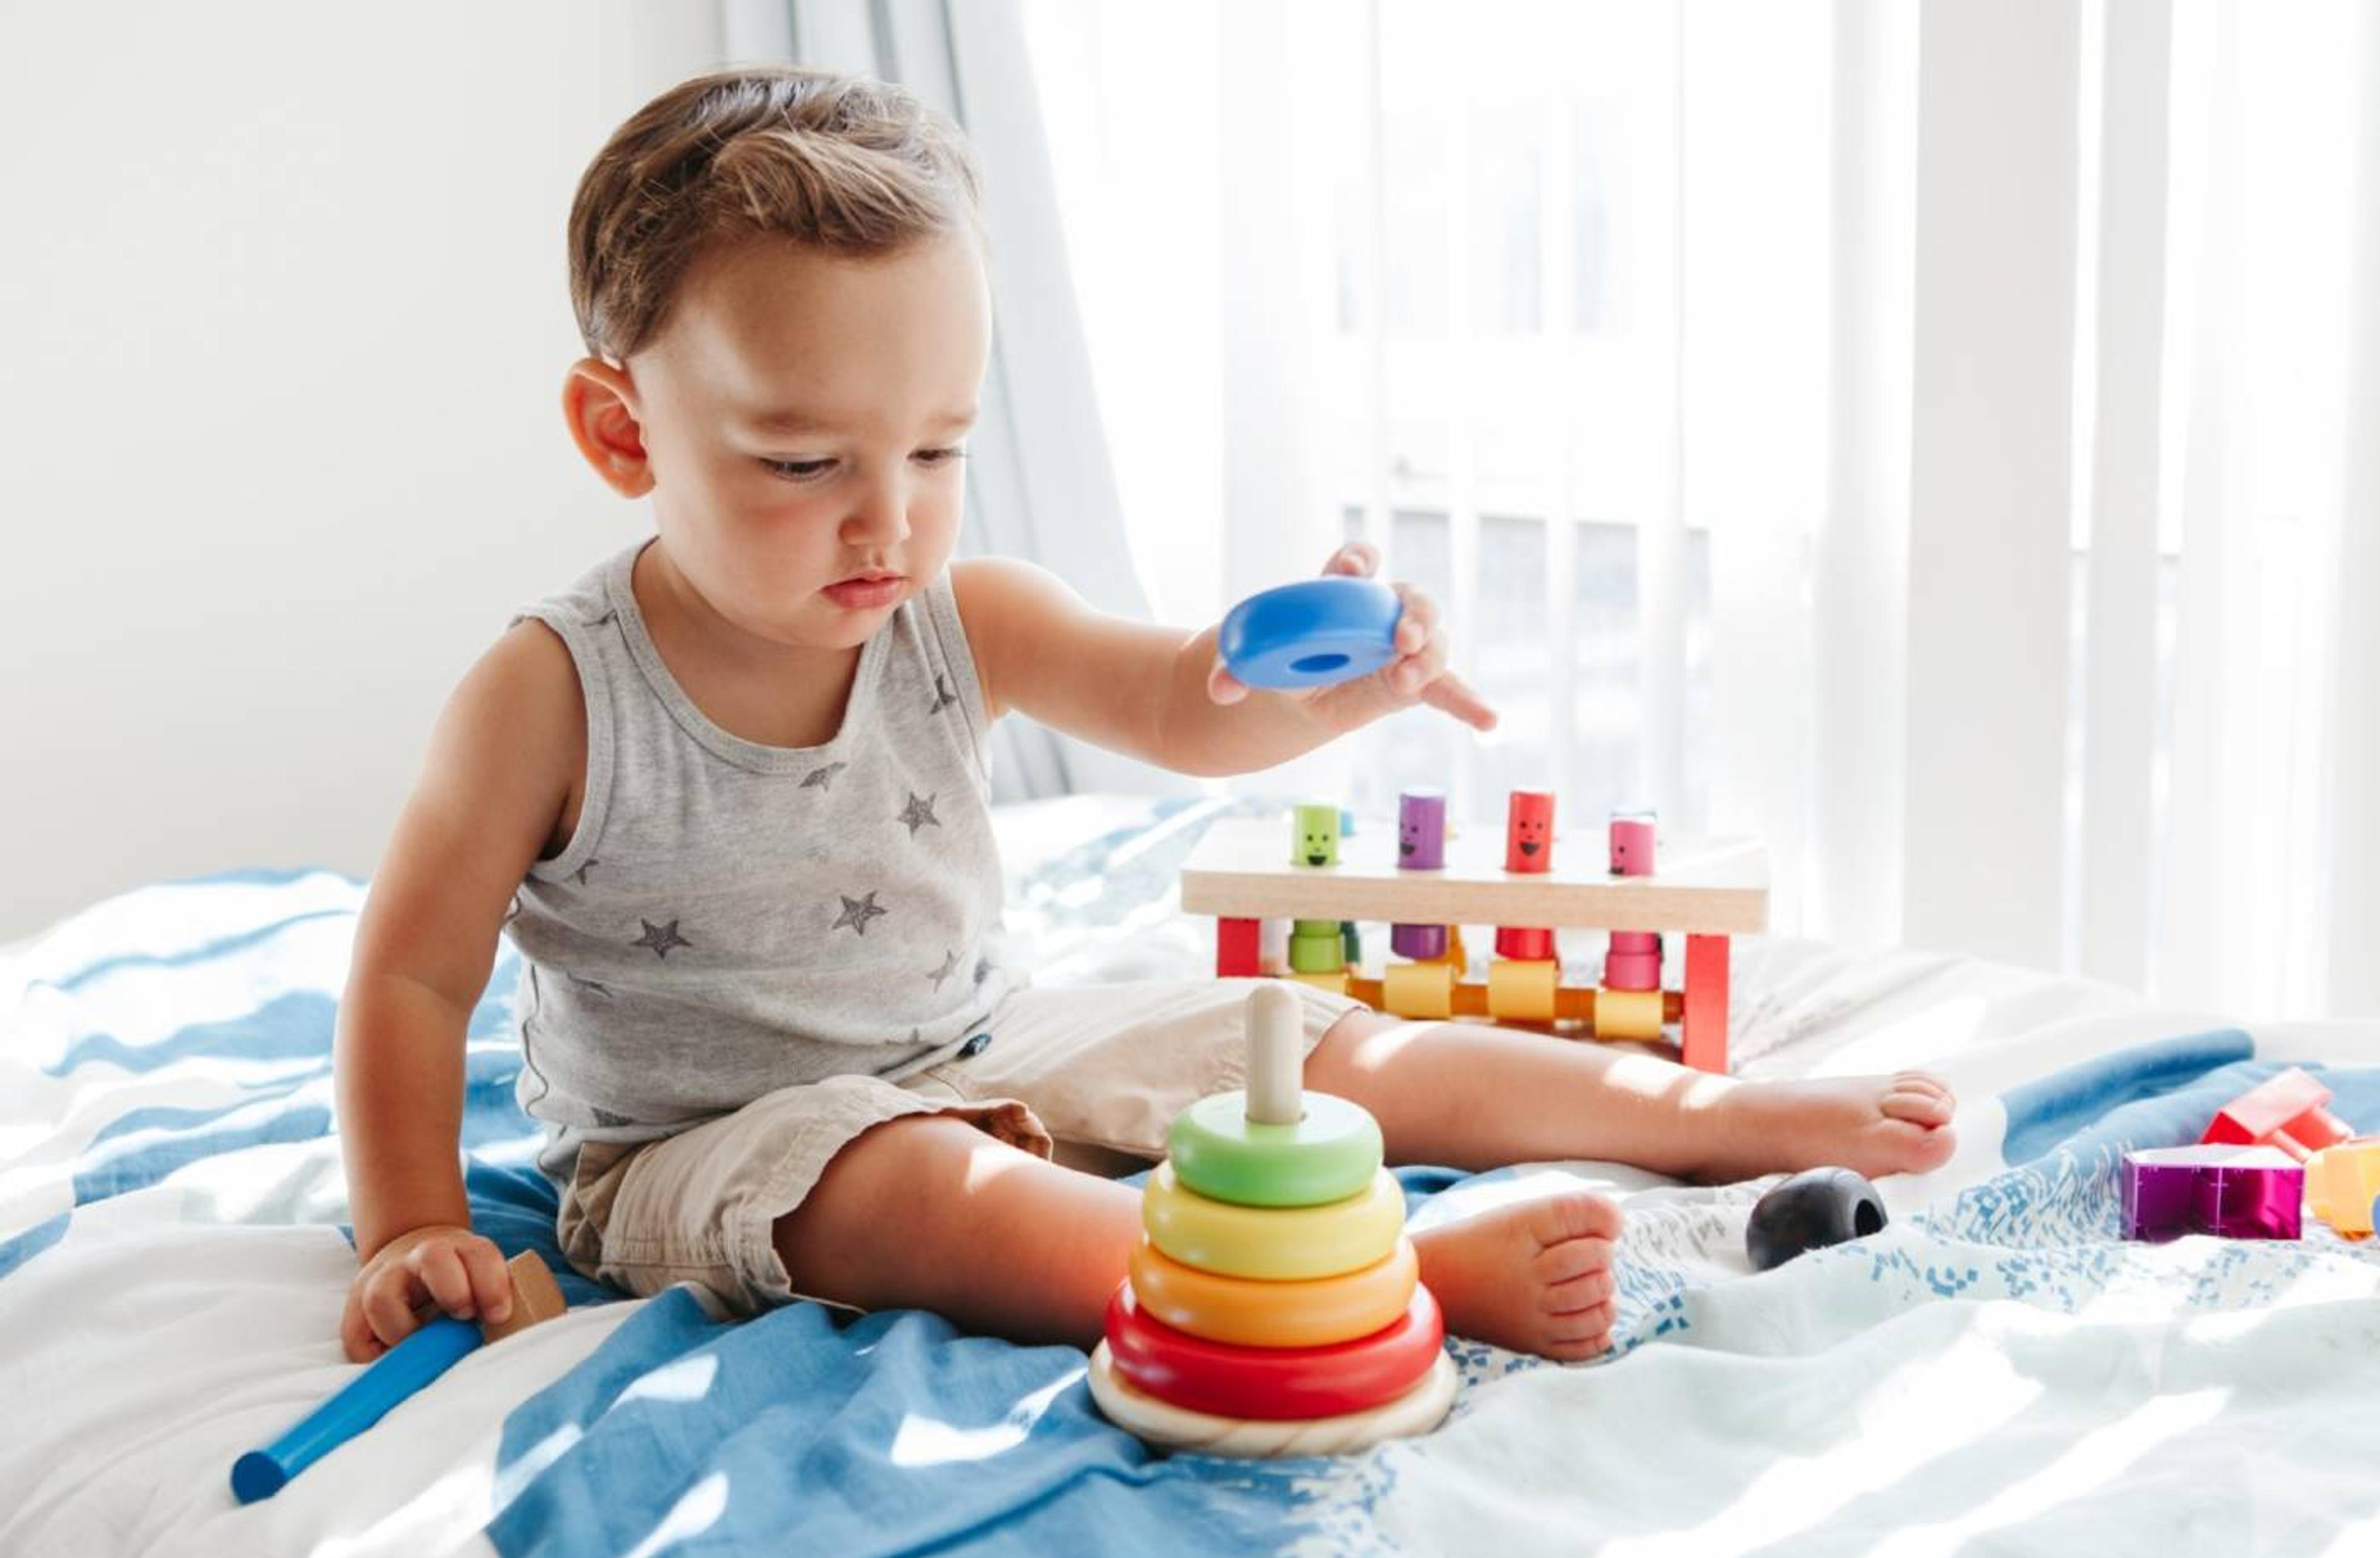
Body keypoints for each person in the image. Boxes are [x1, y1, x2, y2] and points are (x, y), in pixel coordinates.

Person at [333, 64, 1955, 1369]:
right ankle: (1360, 1283)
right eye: (805, 463)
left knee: (1306, 1040)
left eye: (939, 449)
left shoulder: (961, 617)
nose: (885, 523)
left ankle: (1707, 1116)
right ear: (622, 433)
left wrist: (1339, 685)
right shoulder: (551, 693)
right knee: (928, 1189)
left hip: (970, 1041)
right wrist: (413, 1224)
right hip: (713, 1145)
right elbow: (411, 971)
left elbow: (1186, 709)